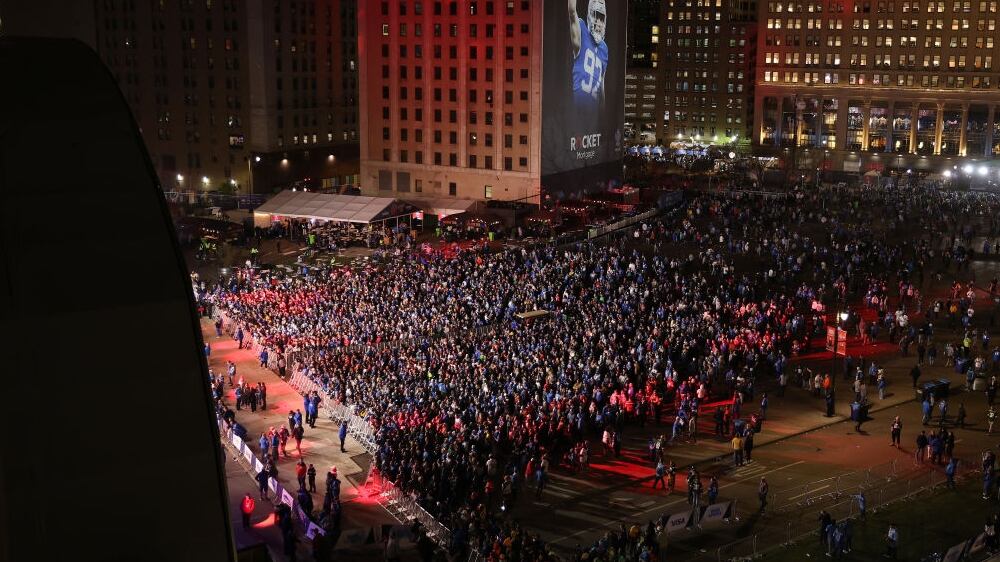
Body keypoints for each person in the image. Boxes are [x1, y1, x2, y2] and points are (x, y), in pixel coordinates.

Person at [567, 0, 609, 115]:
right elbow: (572, 11)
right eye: (596, 16)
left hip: (594, 116)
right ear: (590, 15)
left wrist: (603, 114)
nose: (599, 22)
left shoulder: (604, 48)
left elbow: (602, 84)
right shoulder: (582, 31)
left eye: (601, 18)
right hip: (577, 111)